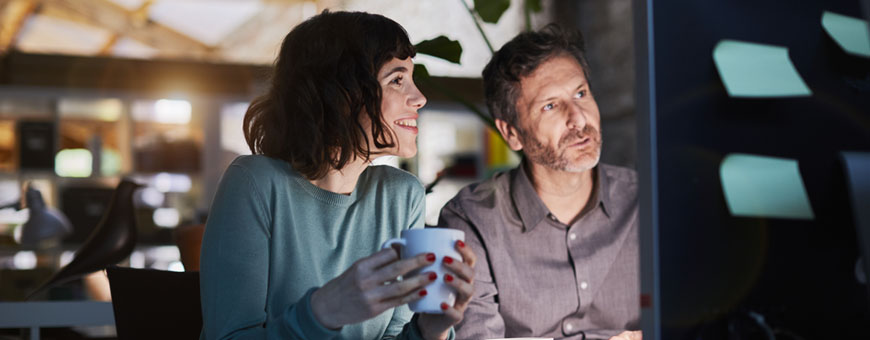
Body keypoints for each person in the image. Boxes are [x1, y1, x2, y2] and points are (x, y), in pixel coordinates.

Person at [199, 11, 476, 340]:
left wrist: (431, 330)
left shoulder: (403, 195)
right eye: (396, 80)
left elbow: (394, 335)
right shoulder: (255, 183)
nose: (419, 98)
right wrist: (323, 312)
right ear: (342, 95)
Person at [437, 25, 641, 340]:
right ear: (512, 134)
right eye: (550, 106)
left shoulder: (646, 199)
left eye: (581, 93)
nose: (578, 118)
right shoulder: (472, 219)